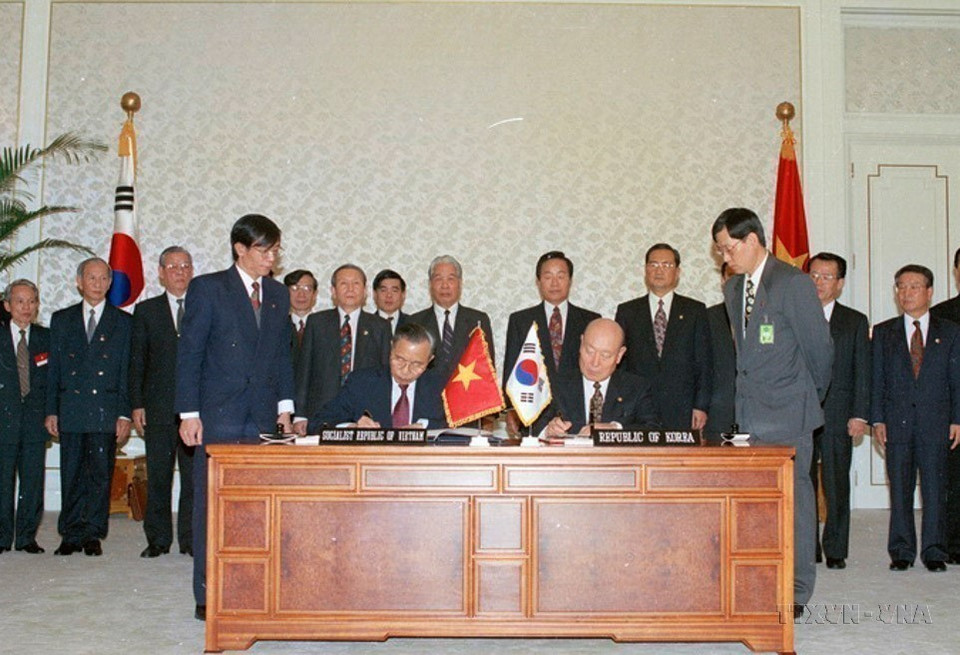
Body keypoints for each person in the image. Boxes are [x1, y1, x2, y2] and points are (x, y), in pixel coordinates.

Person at [712, 207, 833, 612]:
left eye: (729, 249)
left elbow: (820, 353)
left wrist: (802, 401)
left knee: (795, 505)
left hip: (790, 414)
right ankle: (761, 578)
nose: (725, 258)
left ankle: (796, 590)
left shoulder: (793, 283)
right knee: (757, 505)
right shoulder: (733, 289)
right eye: (720, 251)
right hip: (749, 415)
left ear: (751, 240)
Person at [176, 214, 295, 621]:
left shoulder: (278, 294)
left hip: (262, 417)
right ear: (240, 249)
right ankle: (207, 592)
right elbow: (189, 354)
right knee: (211, 506)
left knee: (259, 507)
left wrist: (285, 407)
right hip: (217, 415)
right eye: (264, 249)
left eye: (276, 249)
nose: (272, 257)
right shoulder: (208, 288)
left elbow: (283, 356)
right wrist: (188, 413)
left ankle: (253, 587)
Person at [871, 264, 960, 573]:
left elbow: (956, 380)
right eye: (901, 287)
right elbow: (877, 381)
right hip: (896, 424)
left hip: (936, 423)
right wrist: (877, 420)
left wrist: (957, 419)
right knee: (900, 489)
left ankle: (934, 550)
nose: (906, 293)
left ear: (929, 292)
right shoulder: (883, 332)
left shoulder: (949, 332)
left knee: (935, 489)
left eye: (914, 287)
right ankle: (902, 550)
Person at [45, 257, 133, 557]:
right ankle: (70, 533)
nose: (97, 284)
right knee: (71, 473)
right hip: (71, 407)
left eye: (103, 279)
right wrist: (51, 410)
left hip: (104, 409)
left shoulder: (123, 322)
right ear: (79, 282)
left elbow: (125, 372)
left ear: (110, 283)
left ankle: (94, 533)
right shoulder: (62, 319)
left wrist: (123, 414)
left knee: (99, 473)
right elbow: (54, 371)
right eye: (91, 278)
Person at [129, 246, 195, 558]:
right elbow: (137, 361)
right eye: (173, 266)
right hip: (157, 408)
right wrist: (137, 403)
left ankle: (191, 539)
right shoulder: (146, 311)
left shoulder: (202, 307)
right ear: (160, 272)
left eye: (185, 266)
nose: (180, 272)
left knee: (194, 479)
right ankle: (157, 539)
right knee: (159, 476)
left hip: (194, 411)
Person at [808, 252, 870, 570]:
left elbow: (862, 370)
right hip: (800, 414)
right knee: (803, 484)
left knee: (836, 482)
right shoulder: (793, 316)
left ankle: (835, 548)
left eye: (826, 277)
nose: (818, 282)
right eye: (814, 275)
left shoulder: (854, 321)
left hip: (837, 412)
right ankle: (808, 547)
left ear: (840, 283)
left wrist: (859, 415)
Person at [615, 243, 711, 430]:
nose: (659, 270)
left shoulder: (695, 311)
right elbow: (620, 366)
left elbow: (704, 363)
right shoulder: (627, 311)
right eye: (653, 264)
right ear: (645, 270)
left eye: (666, 265)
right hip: (638, 409)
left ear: (678, 272)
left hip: (682, 408)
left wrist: (701, 406)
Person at [502, 251, 599, 434]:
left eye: (561, 276)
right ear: (538, 282)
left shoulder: (590, 320)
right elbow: (512, 368)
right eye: (548, 277)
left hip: (578, 413)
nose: (554, 283)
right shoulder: (520, 320)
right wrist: (511, 409)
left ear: (570, 281)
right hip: (533, 412)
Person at [294, 264, 391, 426]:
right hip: (322, 412)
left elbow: (385, 373)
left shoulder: (380, 326)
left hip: (366, 414)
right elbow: (305, 371)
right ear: (333, 291)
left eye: (356, 284)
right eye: (344, 284)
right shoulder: (317, 322)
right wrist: (300, 415)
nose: (350, 289)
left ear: (365, 291)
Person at [309, 323, 446, 431]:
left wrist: (425, 426)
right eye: (400, 359)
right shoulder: (362, 382)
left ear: (429, 360)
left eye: (416, 364)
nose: (406, 369)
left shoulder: (441, 387)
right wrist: (352, 428)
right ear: (391, 349)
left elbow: (461, 425)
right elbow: (318, 423)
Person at [0, 280, 49, 554]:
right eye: (19, 301)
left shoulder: (46, 338)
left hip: (34, 422)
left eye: (31, 301)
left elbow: (53, 382)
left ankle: (27, 537)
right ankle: (2, 536)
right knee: (2, 481)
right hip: (3, 422)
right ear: (7, 306)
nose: (26, 307)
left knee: (32, 481)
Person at [543, 318, 658, 436]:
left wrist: (614, 429)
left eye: (605, 355)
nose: (595, 363)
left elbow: (653, 431)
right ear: (581, 343)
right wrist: (548, 430)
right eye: (589, 351)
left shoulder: (636, 387)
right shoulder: (555, 384)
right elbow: (532, 426)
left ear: (619, 355)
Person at [408, 255, 495, 383]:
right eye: (438, 279)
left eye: (451, 279)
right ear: (430, 284)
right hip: (427, 398)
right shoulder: (415, 322)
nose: (445, 285)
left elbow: (487, 367)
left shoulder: (478, 320)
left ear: (460, 283)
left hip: (466, 397)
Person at [929, 246, 960, 564]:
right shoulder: (941, 315)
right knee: (953, 481)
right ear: (956, 271)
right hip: (952, 410)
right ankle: (954, 543)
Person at [704, 263, 736, 436]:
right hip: (717, 415)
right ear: (723, 280)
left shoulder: (767, 317)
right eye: (731, 276)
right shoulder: (707, 318)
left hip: (759, 415)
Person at [283, 269, 318, 372]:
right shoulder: (278, 326)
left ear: (315, 294)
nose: (301, 294)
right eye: (295, 288)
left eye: (307, 288)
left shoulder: (326, 327)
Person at [372, 269, 409, 334]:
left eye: (394, 291)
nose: (389, 295)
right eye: (383, 290)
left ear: (403, 294)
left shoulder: (412, 323)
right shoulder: (365, 324)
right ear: (375, 294)